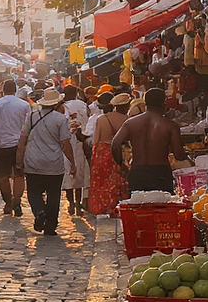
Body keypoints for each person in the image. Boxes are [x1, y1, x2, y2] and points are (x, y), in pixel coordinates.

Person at [18, 89, 76, 236]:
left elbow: (22, 140)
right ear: (57, 104)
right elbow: (66, 144)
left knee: (33, 192)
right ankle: (50, 226)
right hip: (54, 164)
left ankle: (39, 211)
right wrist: (72, 163)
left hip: (33, 161)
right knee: (54, 195)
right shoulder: (60, 119)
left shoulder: (31, 116)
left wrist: (19, 161)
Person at [110, 88, 187, 194]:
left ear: (145, 103)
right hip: (160, 174)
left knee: (138, 208)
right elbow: (179, 155)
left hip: (137, 172)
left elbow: (115, 144)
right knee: (162, 208)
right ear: (163, 103)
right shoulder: (170, 125)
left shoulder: (131, 123)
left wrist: (121, 165)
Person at [0, 81, 32, 218]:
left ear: (3, 90)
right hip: (20, 144)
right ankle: (17, 201)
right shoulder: (24, 105)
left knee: (3, 176)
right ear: (15, 90)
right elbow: (29, 126)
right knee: (19, 174)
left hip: (2, 144)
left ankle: (8, 202)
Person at [87, 93, 131, 215]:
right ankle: (116, 206)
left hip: (101, 152)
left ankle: (101, 206)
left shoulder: (102, 119)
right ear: (126, 106)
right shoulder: (127, 120)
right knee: (117, 181)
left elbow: (95, 141)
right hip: (119, 152)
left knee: (101, 182)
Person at [61, 85, 91, 217]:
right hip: (81, 141)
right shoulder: (84, 105)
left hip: (66, 141)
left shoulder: (62, 107)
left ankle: (71, 203)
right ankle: (78, 203)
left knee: (68, 173)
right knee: (79, 172)